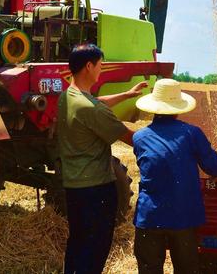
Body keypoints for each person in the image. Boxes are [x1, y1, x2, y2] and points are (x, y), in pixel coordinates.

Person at [57, 43, 148, 274]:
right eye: (100, 65)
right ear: (89, 66)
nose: (101, 69)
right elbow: (131, 138)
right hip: (96, 189)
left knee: (78, 242)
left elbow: (97, 101)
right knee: (96, 248)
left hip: (74, 187)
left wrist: (127, 95)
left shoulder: (68, 96)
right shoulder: (92, 110)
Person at [132, 78, 217, 274]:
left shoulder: (139, 137)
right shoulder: (192, 133)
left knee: (149, 269)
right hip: (183, 214)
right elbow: (215, 168)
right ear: (178, 108)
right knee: (186, 269)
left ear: (154, 107)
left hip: (150, 216)